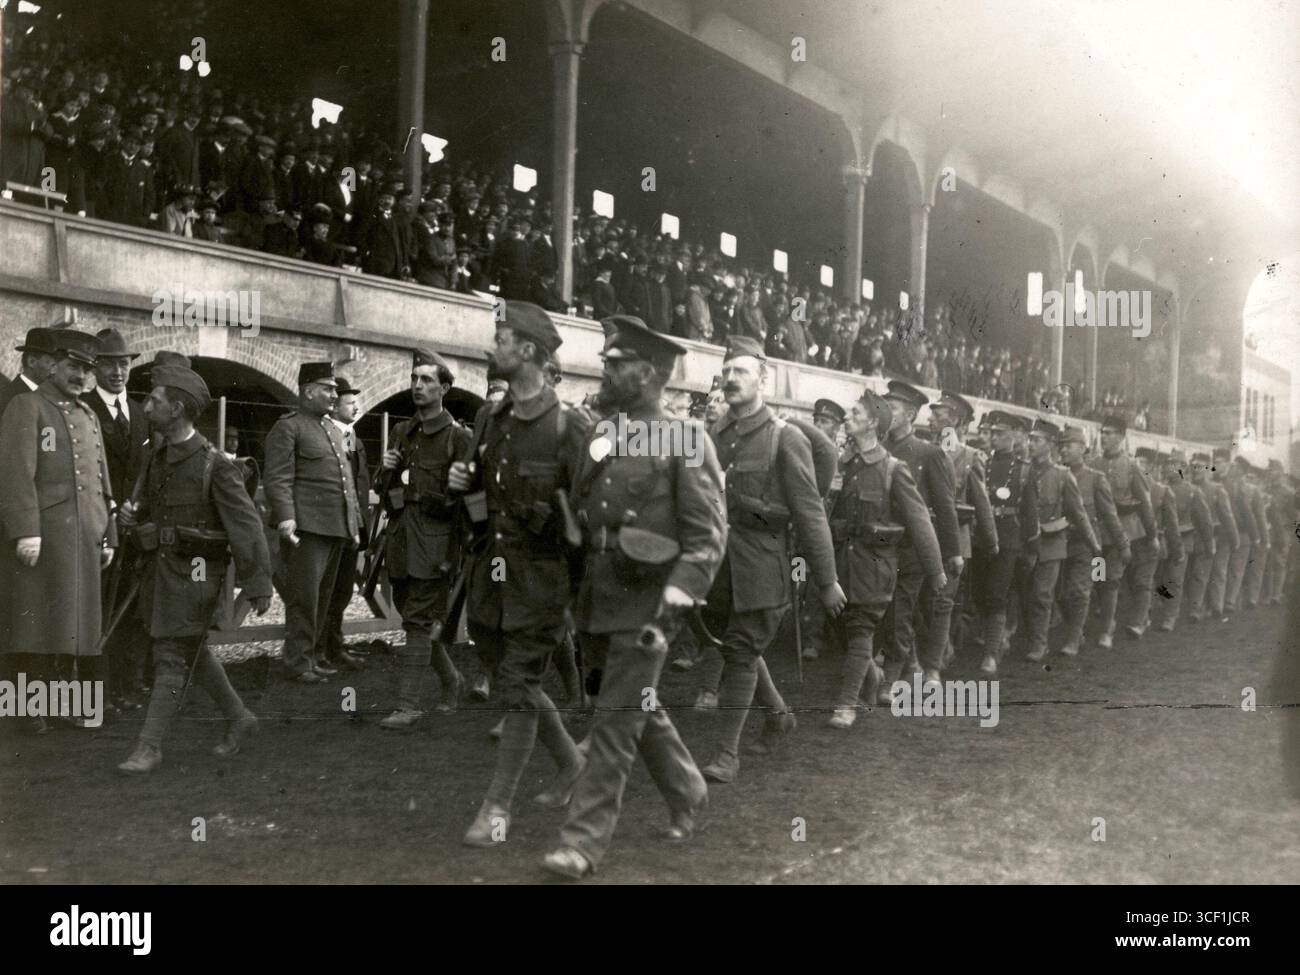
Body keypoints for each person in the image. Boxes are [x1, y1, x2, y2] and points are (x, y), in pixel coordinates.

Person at [541, 315, 726, 879]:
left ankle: (582, 842)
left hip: (649, 601)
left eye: (616, 364)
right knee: (632, 704)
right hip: (598, 594)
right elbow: (581, 511)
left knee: (615, 719)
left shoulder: (685, 438)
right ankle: (689, 790)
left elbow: (707, 537)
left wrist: (675, 601)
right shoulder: (604, 433)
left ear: (647, 374)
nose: (605, 369)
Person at [447, 301, 589, 846]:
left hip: (541, 581)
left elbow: (587, 516)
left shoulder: (568, 427)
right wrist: (466, 489)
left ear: (527, 350)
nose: (493, 346)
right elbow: (483, 499)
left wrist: (577, 595)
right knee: (512, 680)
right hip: (491, 574)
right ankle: (573, 764)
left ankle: (496, 808)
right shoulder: (491, 419)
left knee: (520, 683)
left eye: (502, 338)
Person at [697, 336, 845, 785]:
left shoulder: (785, 437)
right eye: (727, 371)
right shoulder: (715, 436)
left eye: (742, 371)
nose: (731, 378)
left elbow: (810, 511)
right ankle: (778, 716)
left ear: (764, 380)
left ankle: (727, 754)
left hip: (763, 563)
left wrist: (827, 580)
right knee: (735, 643)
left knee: (742, 651)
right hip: (719, 565)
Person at [115, 364, 273, 773]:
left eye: (155, 400)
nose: (147, 405)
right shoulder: (156, 456)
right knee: (190, 648)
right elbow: (150, 507)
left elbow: (247, 526)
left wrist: (258, 585)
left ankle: (148, 747)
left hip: (199, 574)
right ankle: (239, 718)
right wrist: (133, 518)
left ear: (178, 408)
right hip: (159, 574)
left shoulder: (215, 465)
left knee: (171, 654)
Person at [0, 330, 116, 734]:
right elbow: (16, 473)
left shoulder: (87, 414)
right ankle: (23, 711)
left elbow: (102, 482)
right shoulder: (26, 406)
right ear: (53, 365)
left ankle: (67, 706)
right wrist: (25, 530)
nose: (81, 377)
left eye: (87, 370)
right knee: (34, 625)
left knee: (76, 628)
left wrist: (109, 534)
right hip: (45, 536)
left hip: (84, 535)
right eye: (73, 367)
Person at [826, 388, 943, 728]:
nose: (848, 418)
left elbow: (920, 523)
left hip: (875, 566)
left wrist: (935, 572)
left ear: (873, 423)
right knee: (845, 632)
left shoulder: (893, 469)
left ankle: (846, 705)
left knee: (861, 628)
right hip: (841, 563)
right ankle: (873, 680)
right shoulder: (842, 464)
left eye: (855, 414)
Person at [374, 351, 471, 728]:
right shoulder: (402, 432)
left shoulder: (458, 438)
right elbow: (383, 489)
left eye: (427, 380)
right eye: (415, 378)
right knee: (410, 616)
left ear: (444, 388)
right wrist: (385, 473)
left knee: (417, 621)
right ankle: (452, 680)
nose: (417, 385)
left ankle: (408, 705)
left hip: (436, 544)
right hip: (400, 541)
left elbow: (467, 500)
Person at [263, 362, 362, 682]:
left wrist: (352, 526)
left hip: (334, 527)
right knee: (304, 599)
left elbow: (346, 483)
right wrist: (287, 519)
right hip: (307, 530)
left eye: (335, 390)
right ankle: (297, 661)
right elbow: (278, 478)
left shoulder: (332, 430)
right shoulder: (289, 427)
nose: (334, 394)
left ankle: (315, 655)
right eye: (328, 388)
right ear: (307, 391)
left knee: (324, 598)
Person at [81, 328, 151, 709]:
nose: (117, 372)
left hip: (135, 527)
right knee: (98, 608)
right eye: (108, 364)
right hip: (101, 528)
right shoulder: (84, 407)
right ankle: (101, 691)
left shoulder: (141, 413)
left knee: (132, 608)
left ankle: (129, 686)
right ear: (95, 368)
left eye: (123, 363)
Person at [880, 380, 961, 692]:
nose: (886, 412)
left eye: (894, 408)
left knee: (900, 612)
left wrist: (952, 552)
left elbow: (945, 507)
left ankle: (890, 678)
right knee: (880, 611)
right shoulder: (879, 449)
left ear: (911, 414)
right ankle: (903, 664)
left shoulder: (928, 454)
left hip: (910, 547)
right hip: (878, 545)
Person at [929, 391, 997, 667]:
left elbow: (982, 503)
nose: (931, 418)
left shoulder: (970, 457)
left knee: (945, 599)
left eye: (938, 414)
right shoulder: (926, 450)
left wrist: (991, 542)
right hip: (927, 535)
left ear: (955, 420)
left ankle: (940, 655)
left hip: (956, 538)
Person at [1023, 418, 1098, 663]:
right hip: (1024, 543)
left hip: (1051, 543)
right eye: (1030, 439)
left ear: (1050, 444)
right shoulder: (1023, 471)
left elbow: (1079, 513)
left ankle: (1039, 645)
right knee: (1026, 595)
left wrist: (1094, 545)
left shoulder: (1062, 476)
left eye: (1037, 440)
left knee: (1042, 595)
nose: (1031, 444)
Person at [970, 412, 1038, 675]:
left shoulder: (1023, 469)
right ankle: (992, 639)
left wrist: (1031, 544)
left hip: (1009, 536)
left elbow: (1030, 512)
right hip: (981, 535)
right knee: (978, 593)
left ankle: (991, 652)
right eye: (993, 434)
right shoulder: (981, 463)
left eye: (1001, 434)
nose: (995, 438)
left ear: (1014, 436)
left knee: (997, 594)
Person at [315, 376, 368, 673]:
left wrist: (362, 527)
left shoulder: (351, 436)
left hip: (352, 526)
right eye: (350, 402)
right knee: (328, 590)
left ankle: (335, 647)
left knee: (343, 590)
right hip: (333, 525)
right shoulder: (325, 434)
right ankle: (320, 649)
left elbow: (360, 483)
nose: (356, 407)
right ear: (334, 407)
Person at [1057, 426, 1120, 656]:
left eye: (1068, 445)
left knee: (1081, 591)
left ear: (1083, 449)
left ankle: (1074, 639)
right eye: (1061, 445)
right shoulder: (1057, 475)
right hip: (1060, 541)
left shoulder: (1096, 479)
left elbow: (1110, 515)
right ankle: (1078, 630)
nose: (1063, 449)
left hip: (1087, 544)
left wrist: (1121, 545)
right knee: (1059, 594)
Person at [1092, 415, 1154, 646]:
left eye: (1109, 433)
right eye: (1102, 433)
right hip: (1098, 533)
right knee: (1097, 578)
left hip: (1123, 532)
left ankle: (1107, 628)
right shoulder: (1094, 464)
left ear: (1121, 437)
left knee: (1111, 579)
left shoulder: (1131, 468)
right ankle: (1113, 618)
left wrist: (1152, 535)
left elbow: (1145, 503)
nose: (1104, 437)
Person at [1151, 449, 1214, 631]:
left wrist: (1209, 544)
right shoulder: (1159, 489)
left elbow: (1205, 521)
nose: (1169, 468)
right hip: (1162, 540)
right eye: (1168, 464)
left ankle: (1170, 616)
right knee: (1160, 579)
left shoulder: (1192, 492)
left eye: (1174, 465)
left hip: (1183, 541)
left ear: (1183, 468)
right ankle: (1167, 605)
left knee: (1175, 579)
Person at [1185, 451, 1234, 623]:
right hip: (1193, 536)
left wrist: (1233, 539)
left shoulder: (1216, 489)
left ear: (1208, 469)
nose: (1196, 470)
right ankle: (1197, 608)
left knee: (1218, 571)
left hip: (1218, 536)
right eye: (1194, 467)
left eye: (1200, 467)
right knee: (1198, 574)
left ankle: (1216, 607)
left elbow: (1227, 516)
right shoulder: (1187, 487)